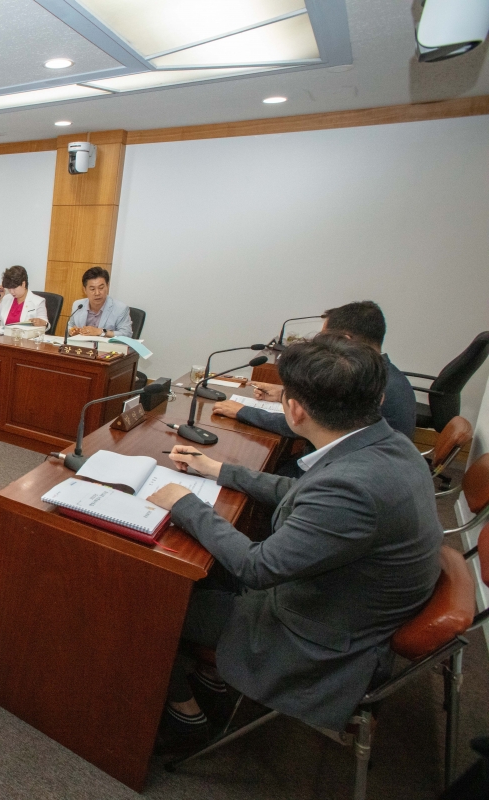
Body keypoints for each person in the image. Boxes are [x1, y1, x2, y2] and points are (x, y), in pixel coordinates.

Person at [147, 337, 442, 750]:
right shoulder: (387, 444)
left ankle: (186, 719)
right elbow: (304, 491)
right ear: (376, 398)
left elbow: (257, 567)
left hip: (315, 639)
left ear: (295, 410)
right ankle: (211, 676)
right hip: (344, 600)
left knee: (151, 601)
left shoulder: (352, 490)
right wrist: (218, 470)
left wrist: (186, 504)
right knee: (201, 573)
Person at [212, 301, 416, 440]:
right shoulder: (384, 374)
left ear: (345, 340)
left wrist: (243, 412)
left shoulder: (365, 381)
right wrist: (282, 394)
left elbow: (311, 423)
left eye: (324, 337)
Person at [66, 267, 131, 337]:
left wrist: (100, 332)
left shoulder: (120, 309)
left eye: (101, 288)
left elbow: (127, 334)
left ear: (107, 286)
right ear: (84, 290)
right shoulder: (78, 305)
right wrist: (73, 331)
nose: (97, 293)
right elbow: (70, 326)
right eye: (92, 289)